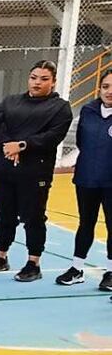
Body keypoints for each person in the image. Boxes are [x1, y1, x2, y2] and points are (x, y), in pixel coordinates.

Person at [0, 60, 73, 282]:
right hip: (4, 170)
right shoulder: (11, 101)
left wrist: (22, 145)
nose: (37, 82)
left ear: (53, 82)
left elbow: (52, 136)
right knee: (4, 214)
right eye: (34, 77)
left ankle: (33, 262)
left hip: (34, 174)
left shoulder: (60, 107)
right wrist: (8, 146)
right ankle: (0, 256)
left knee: (33, 217)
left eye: (44, 79)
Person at [56, 69, 112, 289]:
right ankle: (76, 267)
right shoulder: (88, 110)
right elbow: (82, 142)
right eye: (106, 86)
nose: (109, 91)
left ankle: (110, 271)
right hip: (87, 178)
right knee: (85, 224)